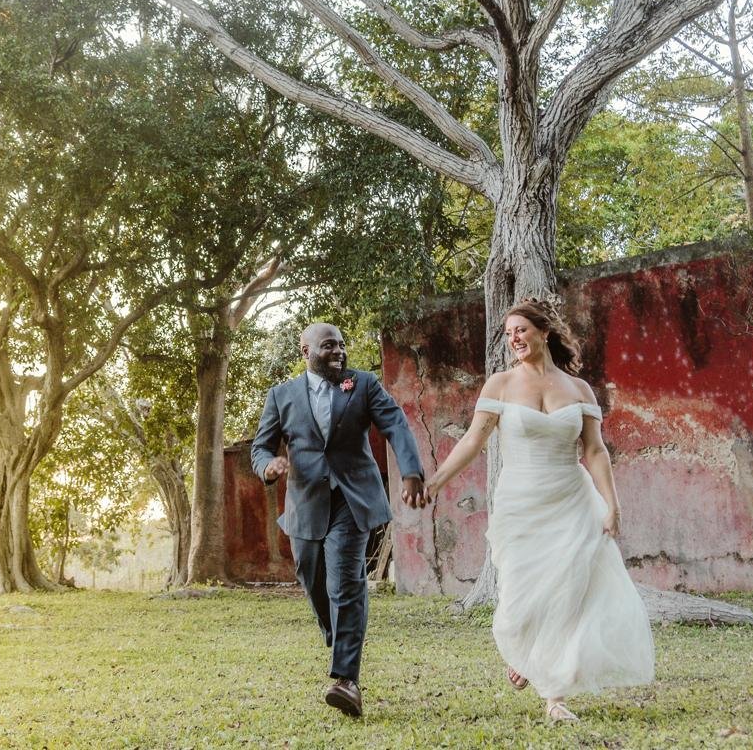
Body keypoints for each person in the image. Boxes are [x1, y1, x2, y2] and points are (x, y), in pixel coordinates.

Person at [415, 298, 653, 722]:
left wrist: (612, 505)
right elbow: (473, 442)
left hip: (571, 496)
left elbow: (595, 451)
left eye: (521, 330)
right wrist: (435, 482)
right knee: (522, 594)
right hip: (520, 500)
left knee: (569, 590)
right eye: (508, 334)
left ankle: (555, 697)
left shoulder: (579, 390)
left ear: (544, 332)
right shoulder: (500, 385)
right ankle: (523, 651)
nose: (514, 339)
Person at [250, 322, 425, 719]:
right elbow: (261, 447)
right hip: (305, 503)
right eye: (329, 346)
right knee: (312, 579)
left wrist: (411, 470)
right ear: (305, 351)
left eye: (341, 346)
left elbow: (395, 423)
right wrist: (269, 466)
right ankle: (341, 634)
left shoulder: (362, 385)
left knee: (345, 582)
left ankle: (347, 680)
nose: (339, 352)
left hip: (353, 498)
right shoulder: (282, 396)